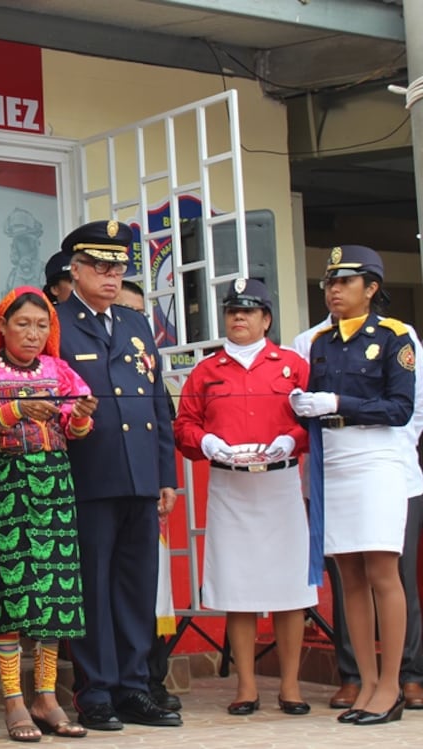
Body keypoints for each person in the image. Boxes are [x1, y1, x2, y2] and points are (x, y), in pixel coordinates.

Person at [54, 219, 180, 731]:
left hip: (139, 474)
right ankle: (96, 689)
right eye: (101, 268)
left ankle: (134, 686)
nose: (111, 277)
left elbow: (157, 402)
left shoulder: (134, 324)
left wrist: (164, 473)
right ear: (77, 270)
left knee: (135, 586)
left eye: (119, 268)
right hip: (88, 474)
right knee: (93, 587)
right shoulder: (55, 322)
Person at [173, 278, 316, 716]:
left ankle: (290, 686)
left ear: (266, 319)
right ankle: (247, 686)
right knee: (238, 588)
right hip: (230, 486)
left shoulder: (293, 365)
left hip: (279, 483)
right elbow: (184, 426)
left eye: (249, 311)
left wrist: (292, 441)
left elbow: (313, 419)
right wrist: (209, 443)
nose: (239, 317)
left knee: (290, 588)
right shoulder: (206, 370)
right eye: (233, 310)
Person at [0, 285, 97, 741]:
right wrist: (18, 409)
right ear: (1, 326)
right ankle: (13, 701)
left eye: (42, 325)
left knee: (54, 595)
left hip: (55, 483)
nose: (32, 333)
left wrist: (79, 413)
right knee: (13, 595)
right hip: (5, 483)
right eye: (22, 323)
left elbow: (76, 430)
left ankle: (45, 696)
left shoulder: (60, 371)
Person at [290, 244, 416, 725]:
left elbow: (400, 409)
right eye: (329, 282)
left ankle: (390, 685)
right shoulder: (319, 342)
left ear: (372, 288)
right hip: (335, 459)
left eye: (344, 282)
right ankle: (365, 681)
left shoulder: (393, 337)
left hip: (375, 456)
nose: (334, 290)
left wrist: (338, 401)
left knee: (384, 571)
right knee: (351, 578)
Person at [114, 280, 180, 713]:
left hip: (144, 484)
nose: (135, 320)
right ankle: (109, 684)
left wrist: (165, 477)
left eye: (141, 312)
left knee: (148, 590)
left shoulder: (145, 348)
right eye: (127, 310)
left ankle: (147, 679)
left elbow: (162, 415)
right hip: (104, 483)